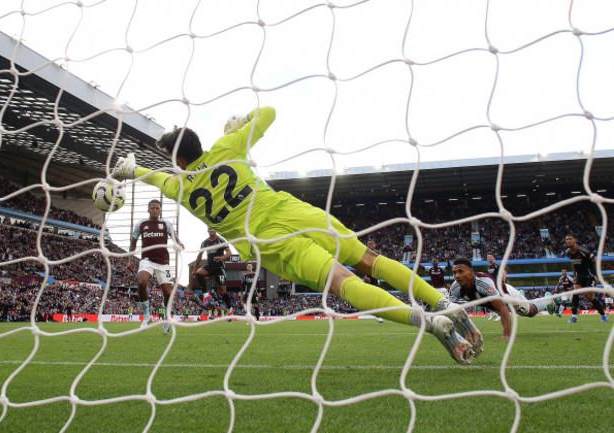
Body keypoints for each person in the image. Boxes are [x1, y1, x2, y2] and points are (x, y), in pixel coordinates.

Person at [112, 106, 483, 364]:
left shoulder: (181, 187)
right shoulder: (229, 147)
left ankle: (430, 324)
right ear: (200, 143)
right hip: (294, 211)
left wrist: (131, 170)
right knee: (370, 260)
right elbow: (270, 113)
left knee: (342, 282)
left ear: (179, 161)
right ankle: (440, 302)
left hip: (268, 239)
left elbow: (155, 177)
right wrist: (240, 124)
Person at [449, 258, 553, 340]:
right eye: (454, 273)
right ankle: (522, 297)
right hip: (491, 303)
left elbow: (503, 308)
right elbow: (451, 311)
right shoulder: (455, 288)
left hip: (507, 297)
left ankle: (547, 300)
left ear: (471, 272)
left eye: (460, 271)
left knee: (531, 312)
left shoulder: (484, 283)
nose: (457, 276)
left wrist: (506, 335)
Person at [128, 199, 183, 333]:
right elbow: (133, 242)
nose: (154, 210)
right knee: (141, 281)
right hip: (147, 260)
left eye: (157, 208)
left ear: (160, 210)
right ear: (148, 209)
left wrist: (179, 243)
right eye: (152, 208)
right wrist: (130, 259)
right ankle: (147, 316)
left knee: (168, 293)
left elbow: (174, 237)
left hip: (163, 262)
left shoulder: (165, 224)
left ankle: (166, 317)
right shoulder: (141, 224)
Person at [564, 234, 608, 323]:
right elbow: (573, 263)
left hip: (590, 275)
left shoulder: (584, 251)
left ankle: (603, 315)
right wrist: (575, 276)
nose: (568, 240)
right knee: (575, 293)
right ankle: (574, 316)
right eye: (566, 239)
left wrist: (598, 276)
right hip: (580, 275)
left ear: (575, 240)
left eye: (570, 239)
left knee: (590, 297)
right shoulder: (568, 252)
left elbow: (595, 262)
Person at [192, 228, 233, 314]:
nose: (211, 230)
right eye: (209, 229)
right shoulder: (205, 243)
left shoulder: (221, 240)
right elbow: (199, 256)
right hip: (210, 265)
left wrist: (221, 258)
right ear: (207, 230)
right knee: (199, 273)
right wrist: (194, 269)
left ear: (216, 230)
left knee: (222, 291)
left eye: (212, 229)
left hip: (219, 267)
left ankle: (229, 307)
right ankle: (206, 295)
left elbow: (229, 253)